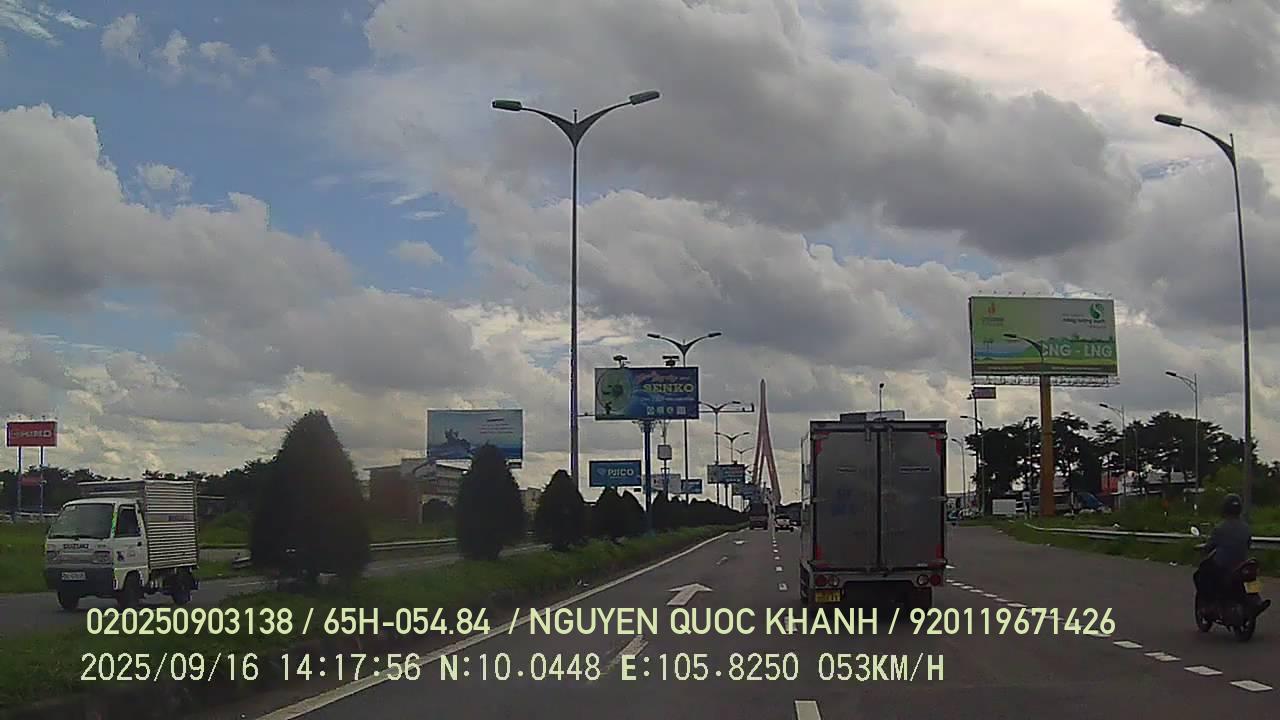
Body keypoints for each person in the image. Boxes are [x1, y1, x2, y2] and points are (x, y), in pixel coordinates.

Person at [1194, 493, 1251, 610]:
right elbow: (1248, 544)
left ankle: (1210, 603)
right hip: (1242, 563)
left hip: (1223, 565)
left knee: (1202, 575)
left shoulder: (1220, 528)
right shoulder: (1246, 527)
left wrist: (1202, 549)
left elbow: (1210, 545)